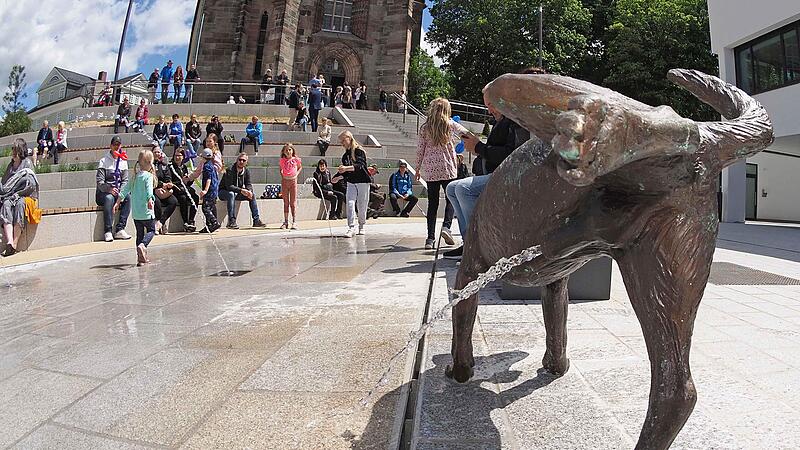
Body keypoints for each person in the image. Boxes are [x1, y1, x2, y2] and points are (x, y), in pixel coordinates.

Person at [444, 86, 531, 260]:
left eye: (491, 104)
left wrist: (479, 147)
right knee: (452, 188)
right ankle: (469, 242)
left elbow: (513, 154)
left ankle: (479, 246)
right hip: (498, 173)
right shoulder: (502, 121)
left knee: (462, 189)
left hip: (510, 177)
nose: (489, 110)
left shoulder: (515, 121)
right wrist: (478, 148)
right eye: (487, 105)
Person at [416, 98, 469, 249]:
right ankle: (446, 227)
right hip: (448, 168)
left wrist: (418, 168)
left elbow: (420, 149)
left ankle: (430, 239)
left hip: (431, 170)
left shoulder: (425, 128)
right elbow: (465, 132)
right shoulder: (450, 124)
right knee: (450, 199)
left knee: (432, 204)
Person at [115, 149, 157, 265]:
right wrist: (150, 199)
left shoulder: (134, 177)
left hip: (136, 214)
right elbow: (149, 189)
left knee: (139, 233)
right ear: (149, 163)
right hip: (146, 211)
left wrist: (118, 202)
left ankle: (140, 259)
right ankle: (143, 246)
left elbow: (124, 191)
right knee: (151, 230)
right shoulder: (148, 176)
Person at [0, 139, 38, 256]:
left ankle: (15, 244)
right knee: (6, 205)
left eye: (14, 149)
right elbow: (5, 184)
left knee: (21, 204)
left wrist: (18, 193)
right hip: (10, 196)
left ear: (20, 150)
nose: (12, 152)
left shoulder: (27, 163)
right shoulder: (10, 166)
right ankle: (10, 243)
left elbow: (31, 183)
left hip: (25, 195)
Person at [96, 136, 132, 242]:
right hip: (104, 192)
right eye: (115, 144)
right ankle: (107, 230)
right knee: (109, 198)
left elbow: (125, 180)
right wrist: (109, 189)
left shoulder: (123, 161)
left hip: (118, 191)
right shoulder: (103, 161)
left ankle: (120, 229)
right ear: (110, 146)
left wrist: (122, 192)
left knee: (128, 197)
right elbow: (100, 182)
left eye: (118, 144)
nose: (116, 147)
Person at [219, 152, 266, 229]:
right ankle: (231, 221)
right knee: (231, 194)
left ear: (246, 162)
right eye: (240, 160)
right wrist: (241, 190)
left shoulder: (246, 171)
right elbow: (229, 186)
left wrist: (249, 191)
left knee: (252, 195)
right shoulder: (230, 170)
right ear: (237, 160)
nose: (241, 162)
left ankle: (256, 220)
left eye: (244, 160)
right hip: (224, 192)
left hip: (237, 193)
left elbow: (248, 184)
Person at [337, 130, 370, 237]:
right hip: (351, 182)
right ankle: (351, 227)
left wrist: (346, 168)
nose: (342, 143)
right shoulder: (345, 156)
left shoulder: (359, 151)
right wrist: (338, 177)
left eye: (343, 140)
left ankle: (362, 225)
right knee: (350, 203)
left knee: (362, 204)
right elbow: (346, 172)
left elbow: (360, 166)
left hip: (362, 181)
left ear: (349, 138)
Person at [169, 148, 198, 232]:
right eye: (175, 156)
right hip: (176, 189)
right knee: (183, 198)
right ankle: (185, 222)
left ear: (183, 157)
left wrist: (189, 179)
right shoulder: (171, 167)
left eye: (179, 156)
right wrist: (180, 181)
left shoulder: (184, 167)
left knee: (195, 197)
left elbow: (187, 184)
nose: (177, 157)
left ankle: (191, 220)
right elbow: (170, 180)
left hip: (184, 189)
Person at [151, 145, 179, 235]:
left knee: (173, 201)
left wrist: (168, 184)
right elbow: (151, 179)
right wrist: (161, 185)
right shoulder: (149, 165)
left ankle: (161, 222)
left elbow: (168, 177)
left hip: (164, 190)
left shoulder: (163, 165)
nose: (157, 154)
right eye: (155, 152)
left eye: (158, 152)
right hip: (153, 189)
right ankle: (157, 222)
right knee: (157, 202)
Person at [279, 143, 302, 229]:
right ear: (284, 152)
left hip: (293, 181)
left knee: (292, 203)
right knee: (286, 202)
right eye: (286, 150)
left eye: (289, 150)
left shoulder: (296, 159)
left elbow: (300, 167)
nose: (288, 152)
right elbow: (280, 168)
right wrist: (282, 174)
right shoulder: (282, 160)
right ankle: (285, 221)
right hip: (285, 181)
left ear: (292, 151)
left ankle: (294, 221)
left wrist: (296, 174)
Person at [199, 148, 221, 233]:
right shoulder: (212, 165)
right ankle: (209, 226)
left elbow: (208, 179)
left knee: (206, 208)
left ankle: (214, 222)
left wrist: (205, 190)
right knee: (211, 207)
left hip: (210, 191)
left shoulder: (206, 166)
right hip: (214, 190)